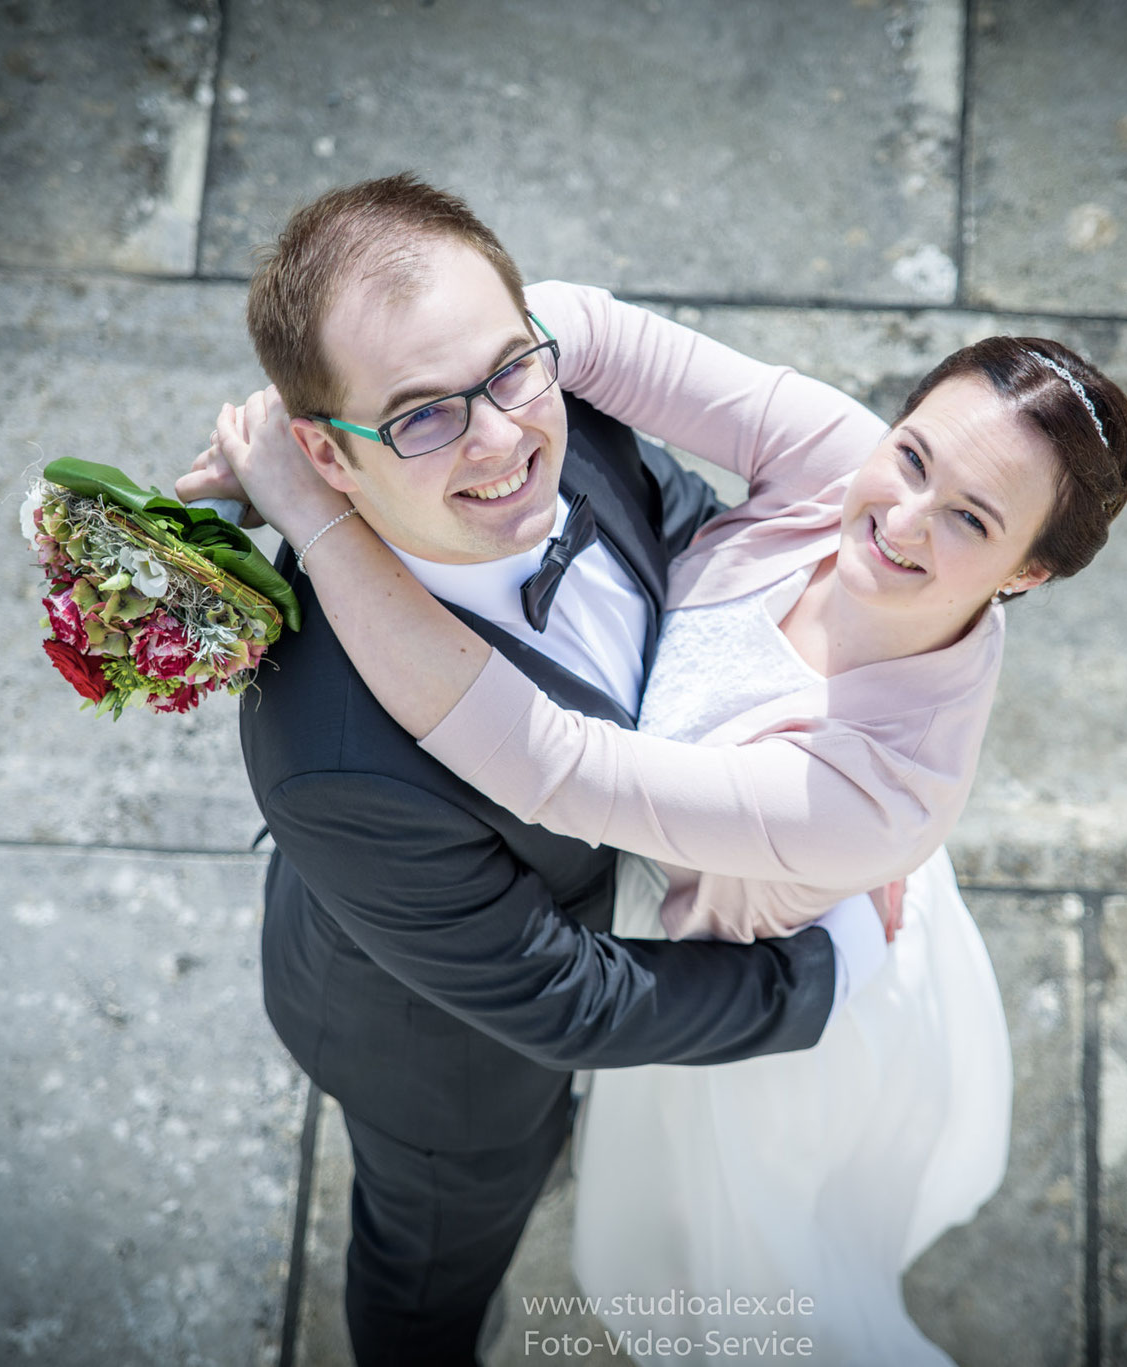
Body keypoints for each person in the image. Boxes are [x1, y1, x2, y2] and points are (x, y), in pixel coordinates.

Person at [196, 264, 1127, 1359]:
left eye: (970, 518)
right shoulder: (842, 463)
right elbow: (579, 325)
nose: (899, 518)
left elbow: (552, 764)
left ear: (1024, 572)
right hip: (423, 1021)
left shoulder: (874, 786)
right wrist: (416, 395)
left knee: (731, 1284)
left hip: (748, 980)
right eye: (913, 454)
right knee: (431, 1260)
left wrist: (314, 511)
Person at [174, 176, 893, 1367]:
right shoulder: (337, 759)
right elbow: (563, 998)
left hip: (601, 908)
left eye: (511, 371)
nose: (505, 441)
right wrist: (821, 969)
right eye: (419, 416)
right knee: (431, 1266)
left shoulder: (570, 416)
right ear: (321, 455)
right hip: (448, 1056)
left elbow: (686, 540)